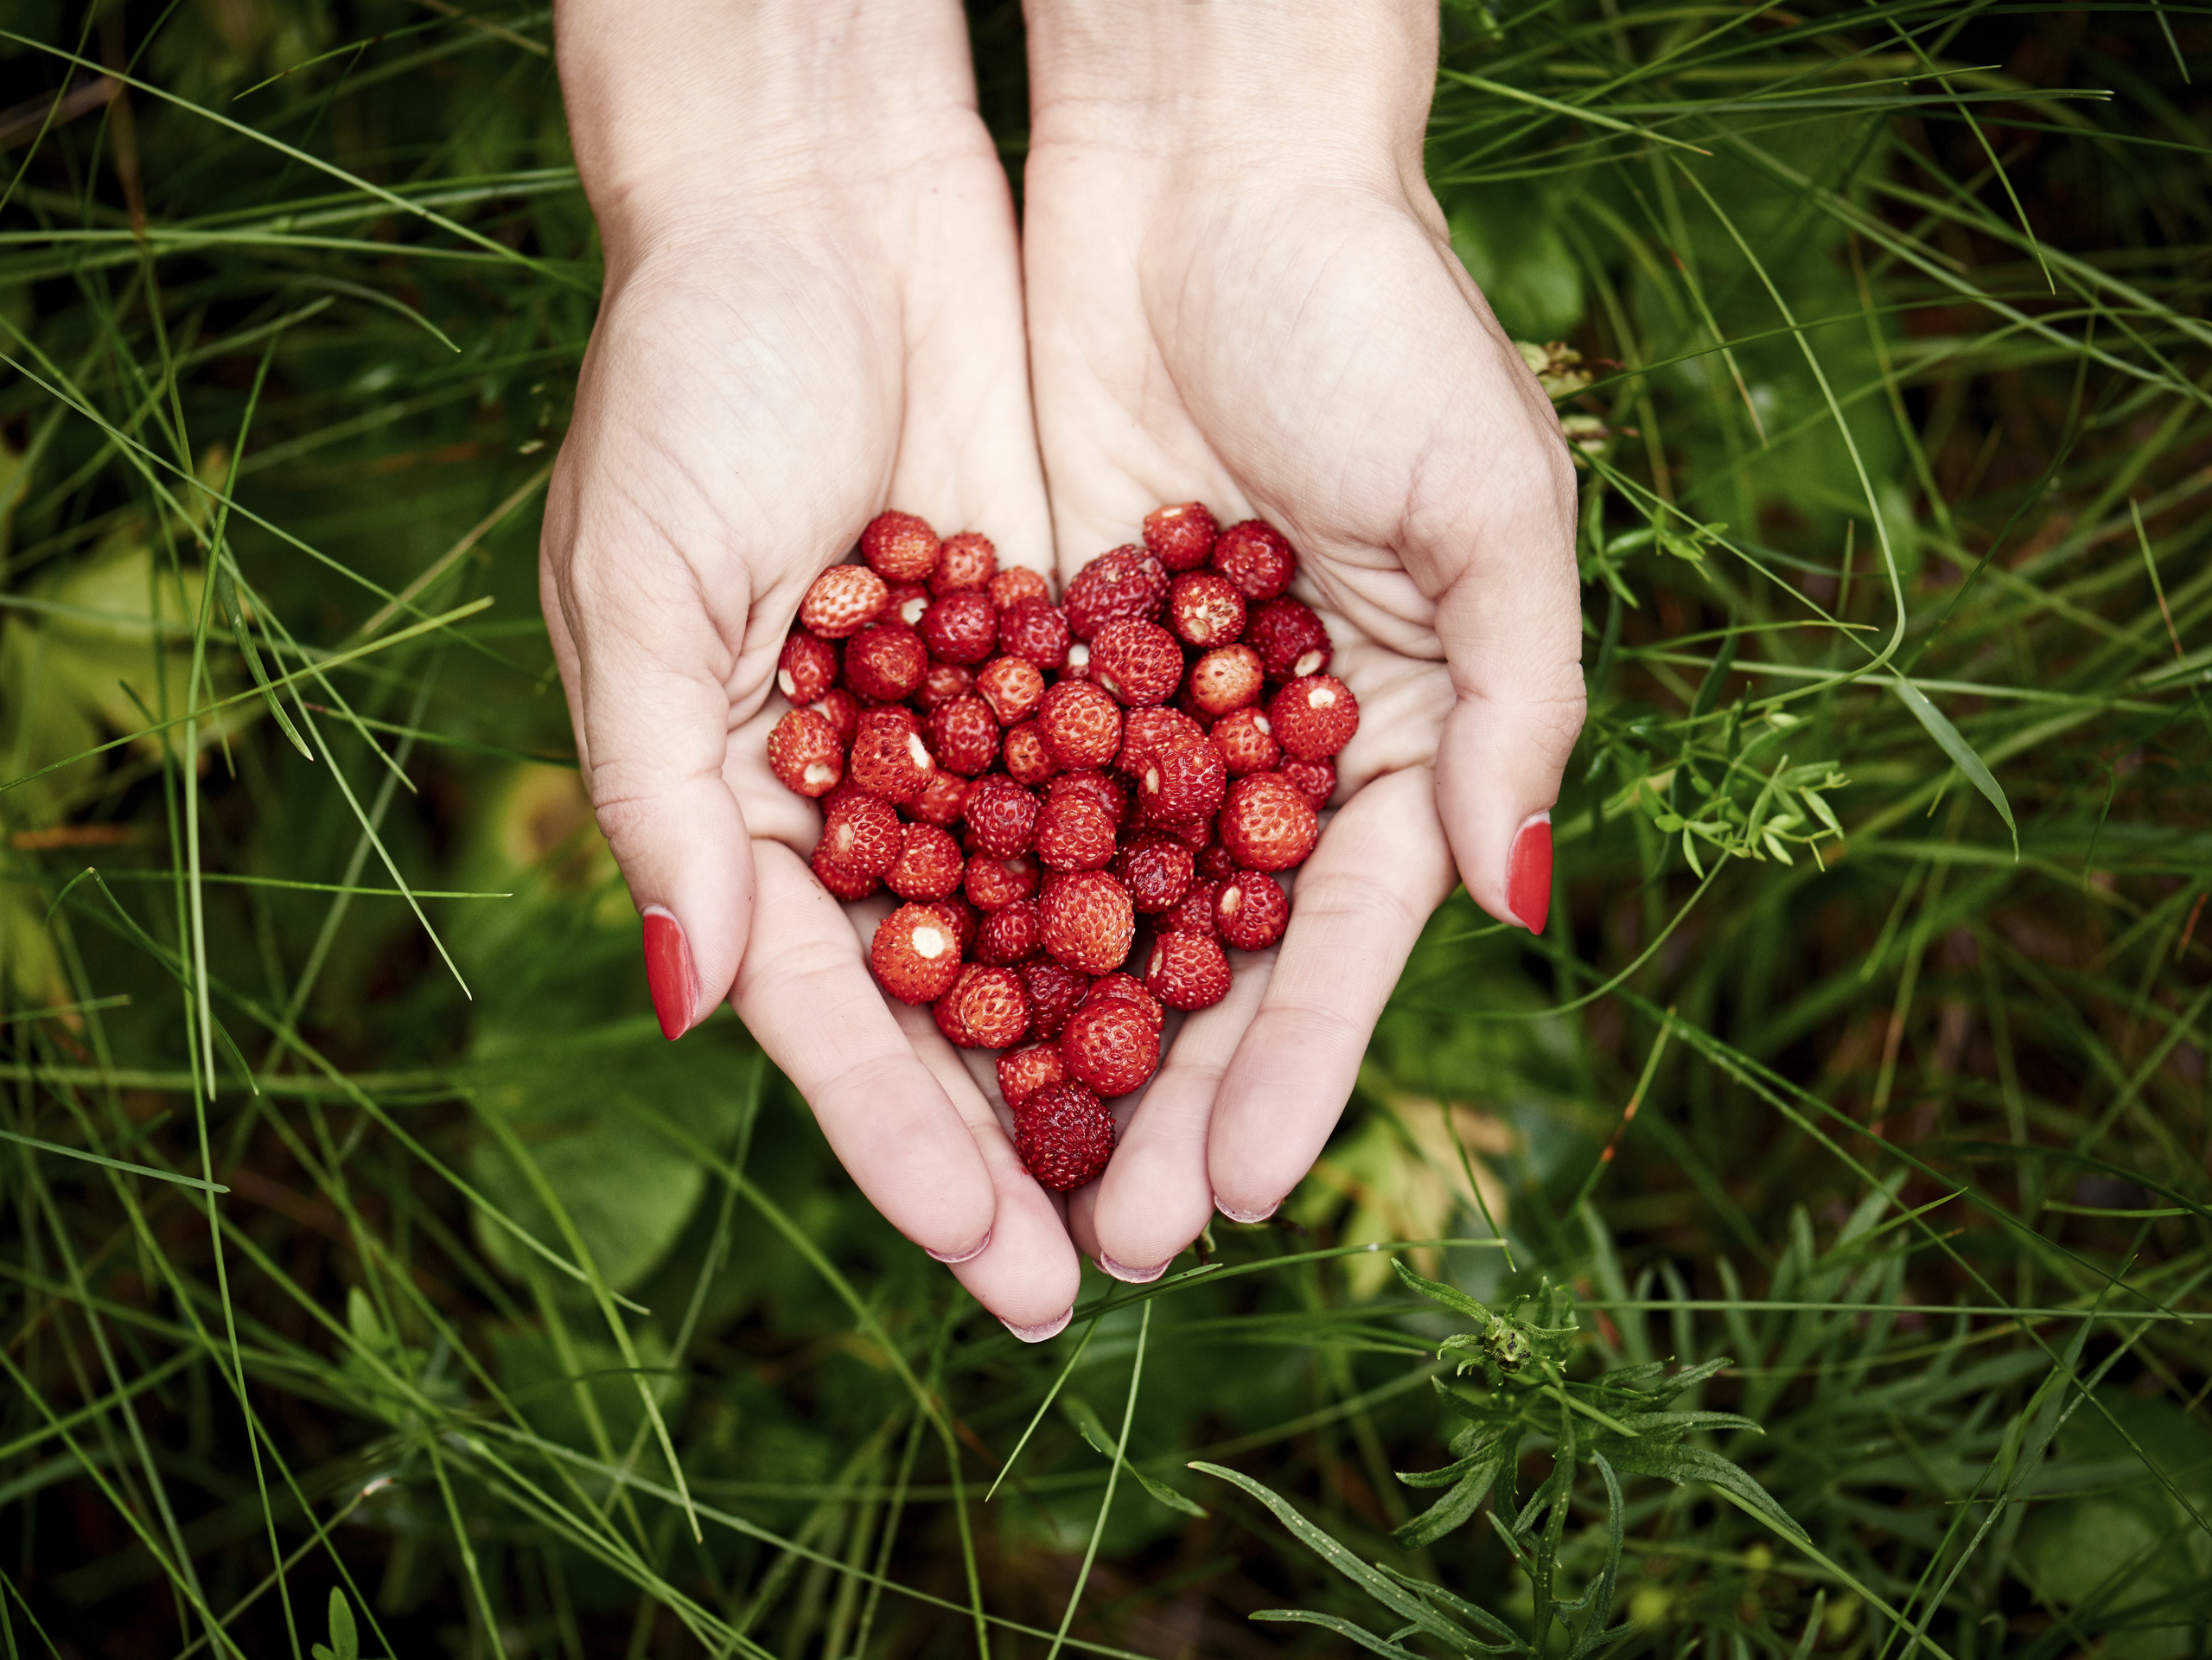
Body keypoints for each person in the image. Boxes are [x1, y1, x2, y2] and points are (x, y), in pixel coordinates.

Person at [539, 0, 1584, 1342]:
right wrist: (755, 178)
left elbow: (1110, 816)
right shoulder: (1030, 743)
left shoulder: (1127, 744)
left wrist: (1261, 139)